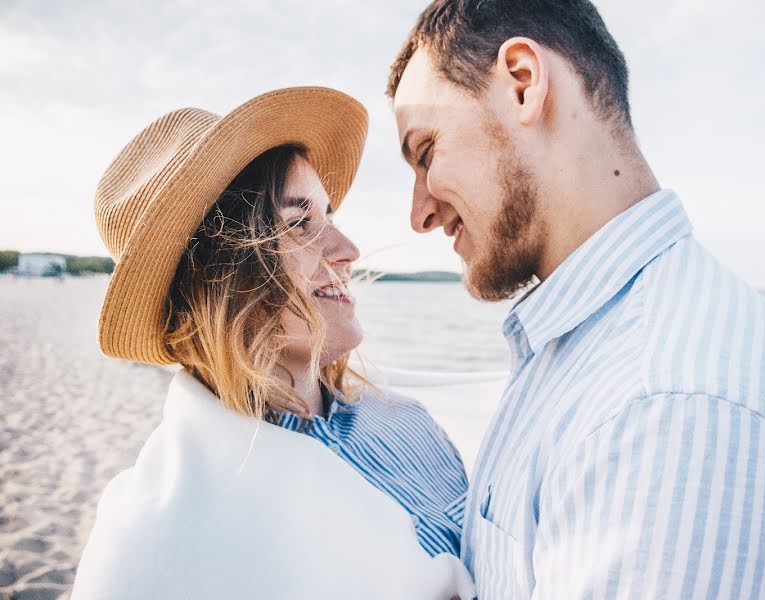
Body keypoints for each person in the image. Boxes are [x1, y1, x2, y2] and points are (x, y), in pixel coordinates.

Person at [387, 1, 765, 598]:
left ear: (523, 84)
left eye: (426, 151)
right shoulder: (582, 349)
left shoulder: (669, 409)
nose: (420, 212)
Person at [71, 87, 474, 600]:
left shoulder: (405, 418)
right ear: (217, 278)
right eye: (299, 223)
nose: (348, 251)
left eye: (330, 216)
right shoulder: (165, 534)